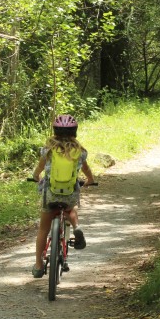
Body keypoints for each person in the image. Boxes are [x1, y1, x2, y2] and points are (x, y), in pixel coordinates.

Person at [31, 114, 95, 278]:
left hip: (50, 194)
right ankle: (76, 227)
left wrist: (36, 176)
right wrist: (90, 180)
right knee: (71, 208)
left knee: (43, 229)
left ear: (55, 131)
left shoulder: (49, 151)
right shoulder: (80, 152)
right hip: (69, 193)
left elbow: (38, 169)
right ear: (75, 132)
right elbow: (86, 170)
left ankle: (38, 265)